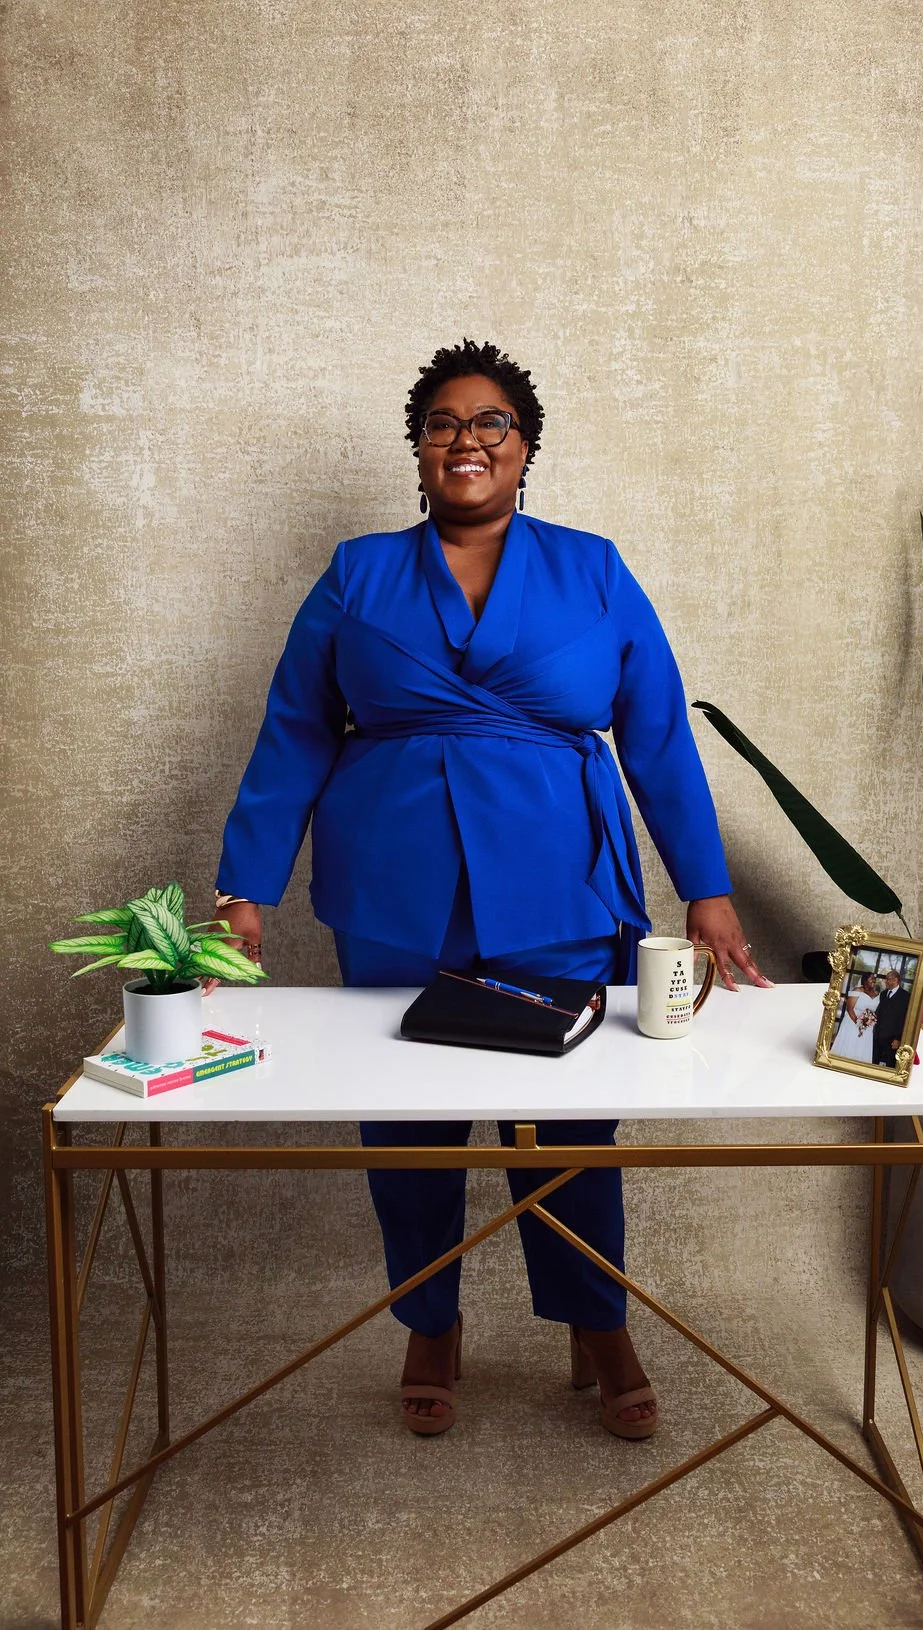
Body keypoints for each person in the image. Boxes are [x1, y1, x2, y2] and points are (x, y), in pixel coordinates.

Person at [210, 339, 770, 1440]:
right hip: (392, 886)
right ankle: (431, 1321)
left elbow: (655, 736)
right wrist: (246, 887)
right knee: (410, 1120)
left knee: (565, 1119)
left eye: (491, 423)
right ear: (418, 449)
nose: (466, 439)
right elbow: (294, 732)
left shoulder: (594, 568)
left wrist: (706, 889)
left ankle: (594, 1319)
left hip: (558, 882)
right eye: (443, 423)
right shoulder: (356, 572)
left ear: (527, 449)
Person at [830, 974, 880, 1063]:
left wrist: (869, 1020)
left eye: (874, 979)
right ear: (865, 980)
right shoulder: (857, 990)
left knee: (862, 1046)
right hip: (852, 1021)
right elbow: (850, 1009)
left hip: (868, 1025)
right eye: (871, 978)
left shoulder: (876, 993)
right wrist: (859, 1023)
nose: (873, 980)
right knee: (850, 1042)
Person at [873, 968, 910, 1067]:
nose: (886, 982)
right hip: (878, 1036)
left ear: (896, 980)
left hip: (892, 1039)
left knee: (889, 1065)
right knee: (875, 1063)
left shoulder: (906, 996)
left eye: (888, 979)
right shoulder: (883, 994)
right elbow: (880, 1012)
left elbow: (904, 1019)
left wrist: (898, 1038)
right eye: (886, 979)